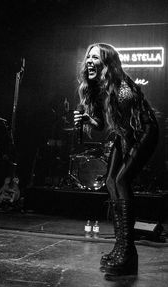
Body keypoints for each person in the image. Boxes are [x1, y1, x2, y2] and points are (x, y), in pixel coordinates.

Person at [74, 43, 158, 279]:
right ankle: (121, 248)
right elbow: (102, 125)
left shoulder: (122, 86)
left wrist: (127, 151)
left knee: (121, 181)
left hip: (143, 131)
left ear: (107, 62)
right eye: (87, 56)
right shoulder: (97, 87)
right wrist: (89, 119)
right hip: (124, 134)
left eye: (95, 57)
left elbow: (133, 119)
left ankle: (129, 255)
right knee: (111, 182)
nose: (89, 61)